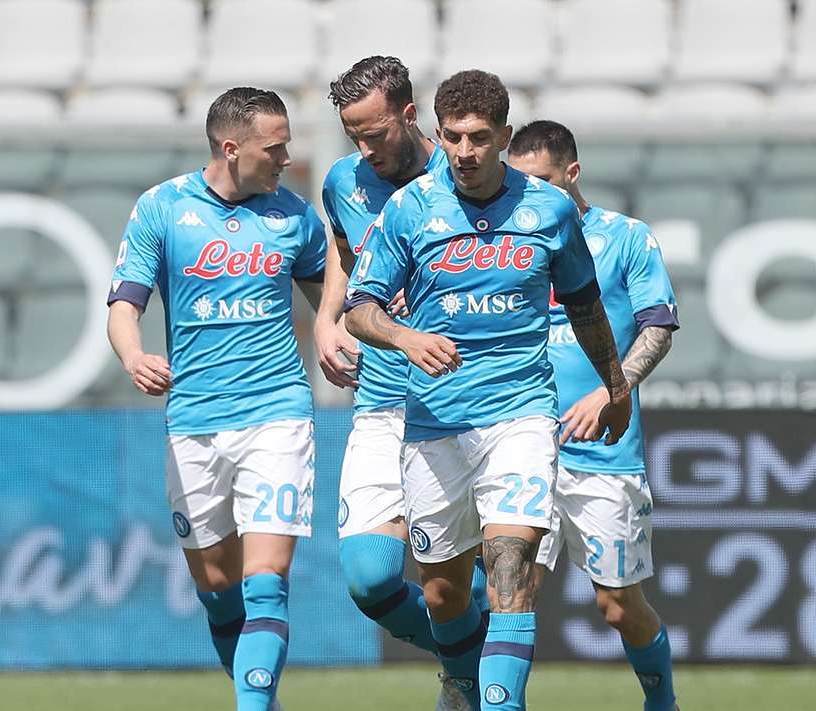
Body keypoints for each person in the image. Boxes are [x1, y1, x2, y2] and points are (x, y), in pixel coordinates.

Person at [343, 70, 632, 711]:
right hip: (435, 422)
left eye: (478, 137)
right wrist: (405, 338)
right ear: (438, 133)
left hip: (520, 414)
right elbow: (358, 309)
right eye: (452, 137)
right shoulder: (410, 208)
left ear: (504, 135)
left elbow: (585, 305)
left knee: (510, 567)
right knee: (444, 593)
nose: (465, 152)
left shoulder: (549, 209)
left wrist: (616, 387)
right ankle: (461, 680)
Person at [106, 87, 327, 711]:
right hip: (194, 421)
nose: (285, 159)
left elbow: (330, 302)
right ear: (231, 148)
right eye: (274, 148)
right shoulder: (163, 207)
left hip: (277, 413)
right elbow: (124, 303)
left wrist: (342, 334)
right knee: (218, 591)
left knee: (266, 584)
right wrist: (134, 356)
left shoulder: (294, 214)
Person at [316, 55, 489, 709]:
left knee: (459, 583)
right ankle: (470, 656)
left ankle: (471, 684)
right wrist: (328, 319)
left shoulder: (465, 175)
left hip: (463, 404)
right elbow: (346, 254)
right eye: (353, 136)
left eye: (375, 133)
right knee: (370, 578)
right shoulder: (344, 181)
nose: (364, 149)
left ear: (410, 115)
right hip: (384, 399)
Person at [509, 120, 681, 711]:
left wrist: (614, 388)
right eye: (521, 182)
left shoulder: (626, 237)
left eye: (543, 180)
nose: (531, 194)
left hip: (604, 455)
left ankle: (662, 701)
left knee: (617, 605)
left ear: (572, 173)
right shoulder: (508, 244)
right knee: (510, 592)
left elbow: (658, 326)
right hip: (522, 446)